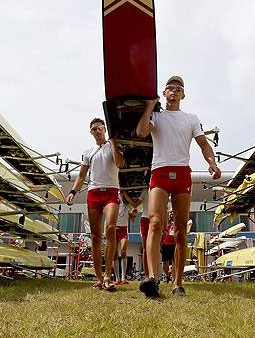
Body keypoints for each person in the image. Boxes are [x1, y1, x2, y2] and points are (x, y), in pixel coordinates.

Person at [136, 75, 222, 297]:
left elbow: (204, 144)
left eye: (178, 89)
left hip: (182, 175)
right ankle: (152, 278)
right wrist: (148, 106)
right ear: (164, 94)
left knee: (181, 230)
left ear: (183, 95)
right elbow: (141, 132)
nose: (173, 91)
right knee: (155, 223)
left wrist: (211, 162)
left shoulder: (191, 118)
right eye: (169, 88)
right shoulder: (156, 116)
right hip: (160, 173)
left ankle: (177, 282)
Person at [66, 118, 126, 290]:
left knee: (110, 229)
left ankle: (108, 275)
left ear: (105, 129)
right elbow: (81, 176)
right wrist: (72, 192)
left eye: (100, 128)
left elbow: (120, 163)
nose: (97, 131)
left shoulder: (113, 145)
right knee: (95, 236)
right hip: (93, 193)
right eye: (94, 129)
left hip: (111, 192)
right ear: (91, 132)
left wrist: (113, 142)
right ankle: (99, 279)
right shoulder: (88, 151)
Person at [160, 208, 176, 281]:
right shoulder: (165, 221)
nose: (172, 213)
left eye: (173, 212)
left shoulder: (177, 221)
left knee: (174, 262)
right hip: (165, 243)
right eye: (170, 212)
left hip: (175, 244)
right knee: (165, 263)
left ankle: (174, 278)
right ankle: (167, 275)